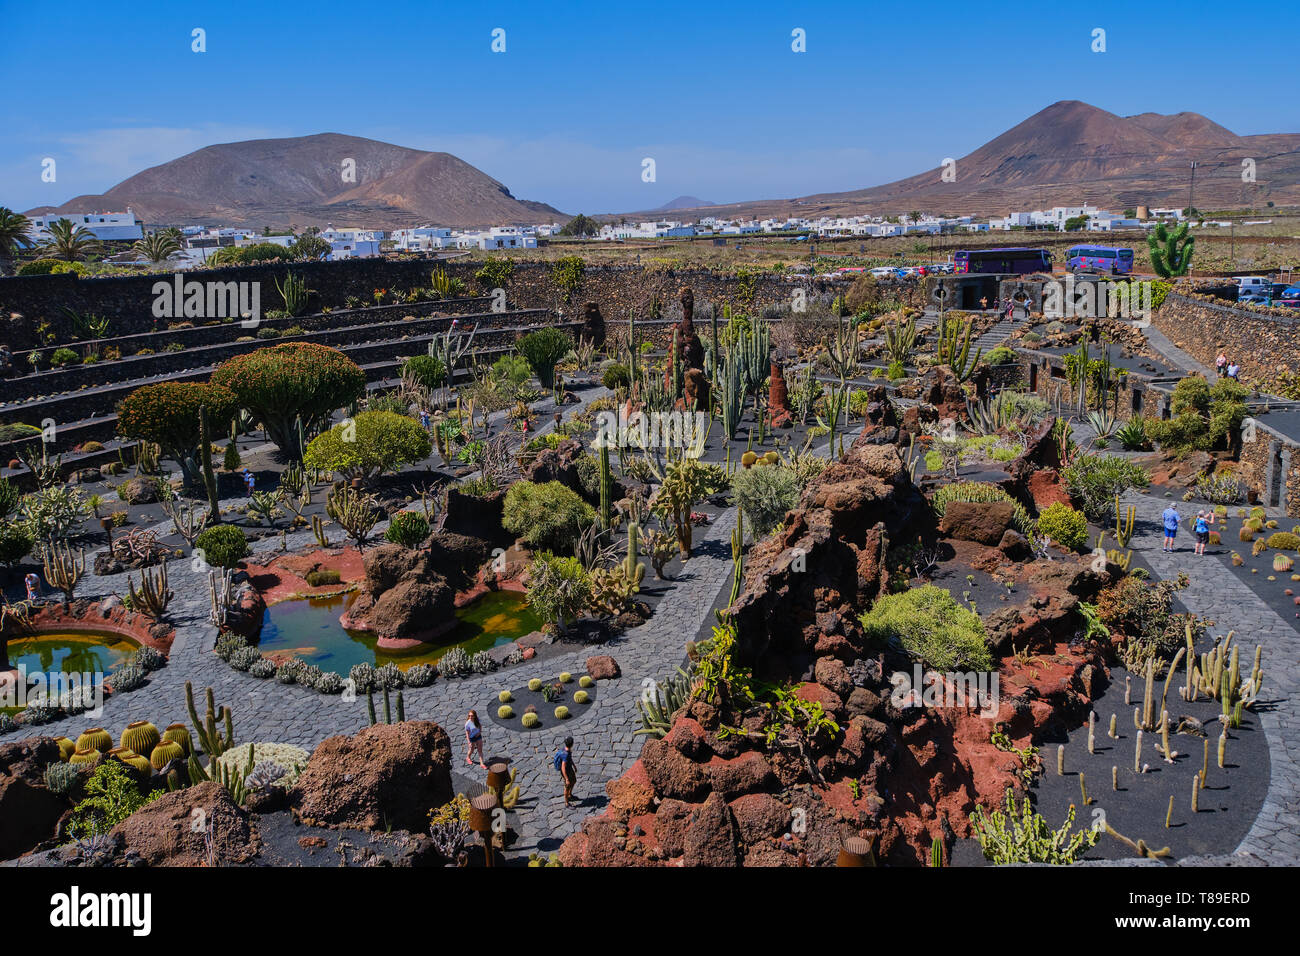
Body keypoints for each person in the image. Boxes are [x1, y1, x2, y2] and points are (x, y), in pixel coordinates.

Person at [554, 736, 577, 807]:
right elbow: (563, 767)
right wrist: (566, 778)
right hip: (566, 772)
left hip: (570, 769)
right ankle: (566, 802)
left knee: (574, 781)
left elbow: (570, 759)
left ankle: (570, 795)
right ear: (572, 744)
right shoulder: (565, 755)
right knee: (567, 786)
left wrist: (574, 766)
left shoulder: (567, 750)